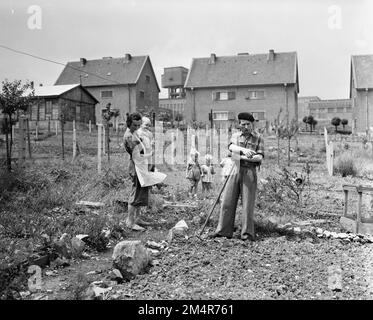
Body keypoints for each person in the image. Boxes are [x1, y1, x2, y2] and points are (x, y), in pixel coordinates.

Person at [210, 112, 264, 241]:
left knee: (247, 204)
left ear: (252, 124)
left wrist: (239, 156)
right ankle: (223, 231)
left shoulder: (258, 138)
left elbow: (259, 157)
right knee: (227, 202)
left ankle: (247, 234)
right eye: (243, 124)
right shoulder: (235, 136)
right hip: (234, 169)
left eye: (248, 124)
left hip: (249, 172)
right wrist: (245, 152)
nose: (246, 126)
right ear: (239, 125)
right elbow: (231, 147)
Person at [123, 112, 166, 231]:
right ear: (129, 123)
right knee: (135, 194)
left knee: (141, 192)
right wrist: (150, 154)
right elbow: (138, 155)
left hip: (141, 166)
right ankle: (130, 222)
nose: (137, 127)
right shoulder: (129, 136)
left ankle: (137, 218)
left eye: (138, 125)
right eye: (135, 125)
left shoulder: (134, 133)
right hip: (137, 166)